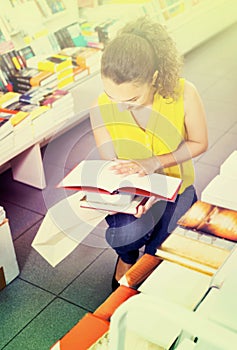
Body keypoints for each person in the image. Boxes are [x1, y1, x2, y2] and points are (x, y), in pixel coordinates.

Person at [89, 16, 208, 290]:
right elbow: (111, 162)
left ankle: (148, 258)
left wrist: (154, 163)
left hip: (178, 186)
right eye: (111, 95)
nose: (119, 107)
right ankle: (127, 257)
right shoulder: (100, 106)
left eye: (131, 99)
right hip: (136, 189)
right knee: (124, 236)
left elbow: (199, 142)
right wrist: (135, 191)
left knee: (160, 250)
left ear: (154, 78)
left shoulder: (184, 93)